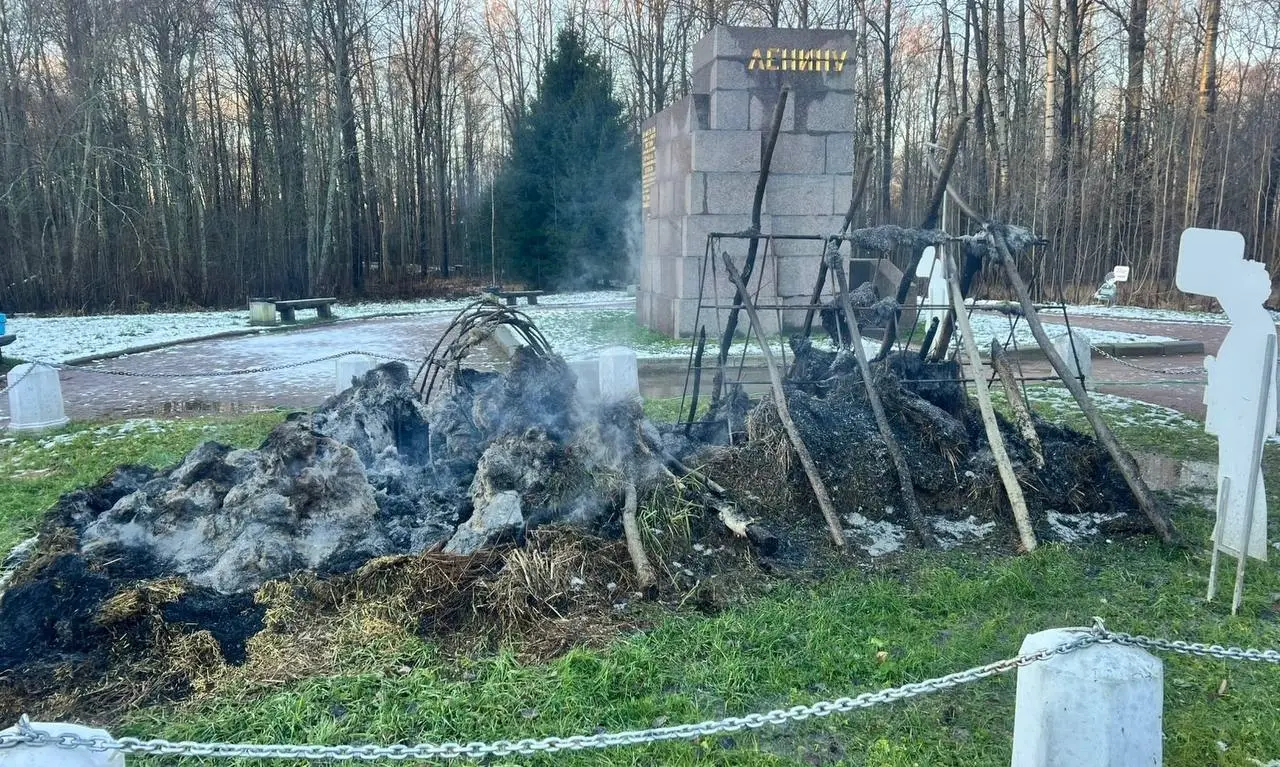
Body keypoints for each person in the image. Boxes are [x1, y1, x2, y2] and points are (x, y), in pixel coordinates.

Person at [1177, 228, 1275, 560]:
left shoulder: (1256, 327)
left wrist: (1217, 371)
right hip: (1239, 413)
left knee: (1240, 475)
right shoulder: (1250, 324)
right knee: (1231, 474)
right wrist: (1215, 369)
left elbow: (1250, 380)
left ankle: (1240, 540)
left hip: (1245, 415)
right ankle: (1231, 535)